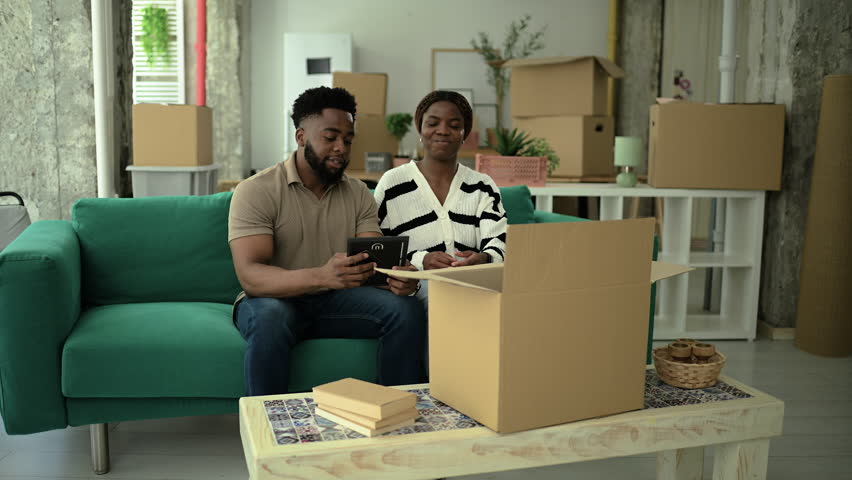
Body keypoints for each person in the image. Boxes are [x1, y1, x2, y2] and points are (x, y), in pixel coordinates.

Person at [228, 86, 426, 396]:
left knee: (405, 310)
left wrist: (400, 278)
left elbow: (375, 264)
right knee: (270, 319)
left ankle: (396, 418)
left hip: (336, 302)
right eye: (330, 137)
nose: (341, 148)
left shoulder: (359, 193)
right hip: (274, 299)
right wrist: (321, 275)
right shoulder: (256, 190)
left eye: (347, 140)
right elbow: (251, 275)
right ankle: (269, 430)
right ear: (301, 136)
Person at [373, 90, 508, 299]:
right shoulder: (392, 184)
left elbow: (500, 242)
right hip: (414, 292)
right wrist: (421, 260)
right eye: (433, 123)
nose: (443, 131)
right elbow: (377, 247)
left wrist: (485, 259)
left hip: (474, 287)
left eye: (454, 126)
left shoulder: (482, 186)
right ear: (420, 129)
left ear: (464, 133)